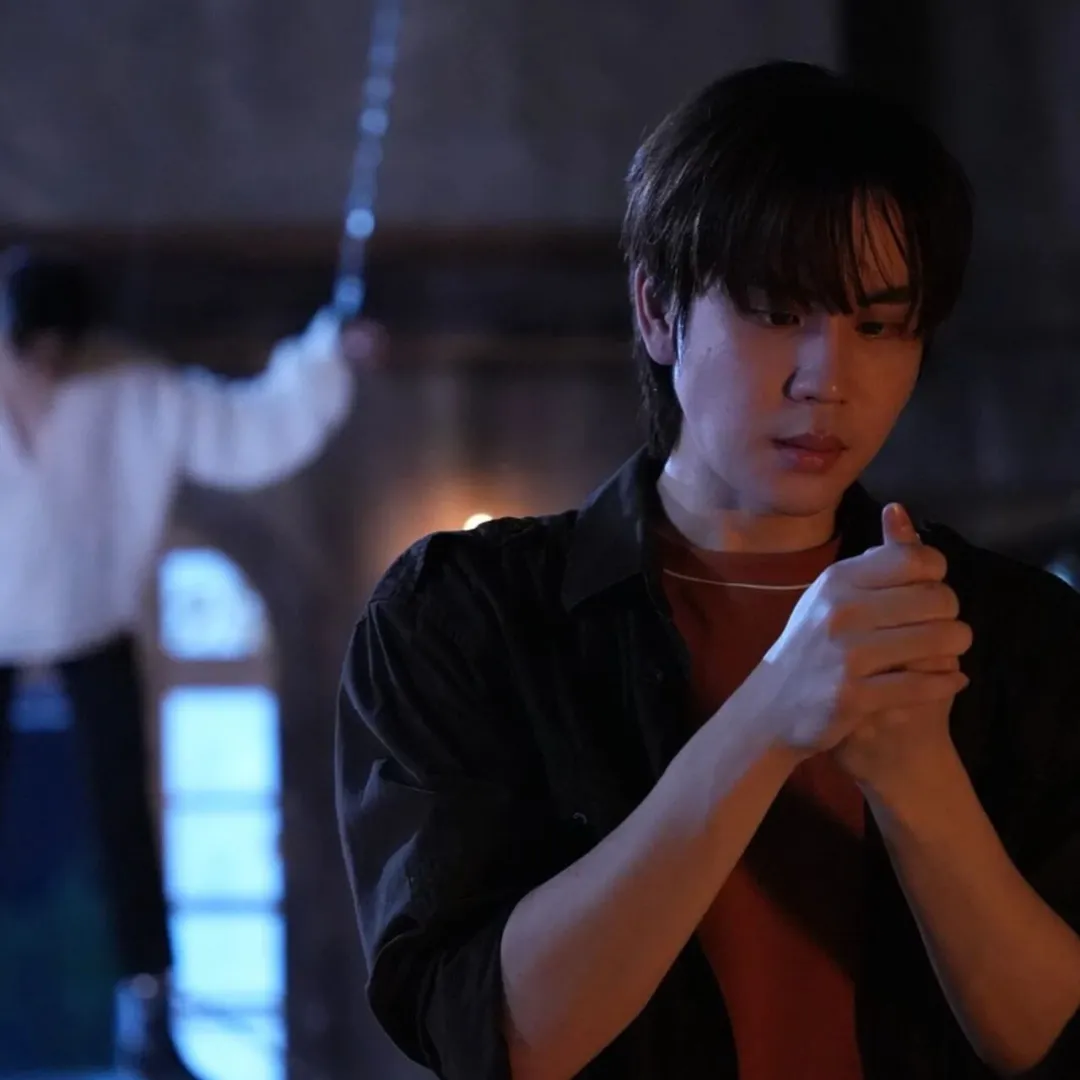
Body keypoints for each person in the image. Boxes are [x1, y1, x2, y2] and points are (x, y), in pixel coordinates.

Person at [336, 61, 1080, 1080]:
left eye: (877, 326)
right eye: (776, 312)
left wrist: (920, 779)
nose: (827, 378)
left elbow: (1053, 1038)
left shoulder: (1011, 633)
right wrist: (769, 712)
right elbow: (503, 1038)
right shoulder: (469, 618)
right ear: (658, 310)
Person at [0, 248, 381, 1080]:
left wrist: (324, 359)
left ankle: (149, 1011)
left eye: (63, 355)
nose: (48, 372)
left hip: (93, 621)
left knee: (124, 820)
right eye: (33, 355)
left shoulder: (132, 391)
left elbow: (246, 428)